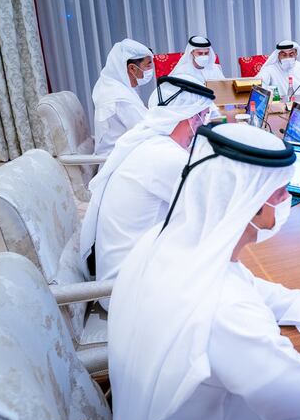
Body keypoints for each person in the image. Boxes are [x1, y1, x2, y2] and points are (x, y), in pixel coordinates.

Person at [108, 124, 300, 420]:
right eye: (281, 193)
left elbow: (258, 292)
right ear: (251, 202)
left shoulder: (166, 241)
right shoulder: (224, 309)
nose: (288, 200)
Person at [79, 75, 215, 309]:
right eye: (204, 116)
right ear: (191, 119)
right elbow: (213, 209)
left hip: (133, 268)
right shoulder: (165, 158)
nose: (204, 124)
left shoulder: (148, 141)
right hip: (131, 294)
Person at [92, 39, 153, 155]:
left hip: (126, 152)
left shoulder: (109, 83)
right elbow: (147, 128)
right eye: (148, 65)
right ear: (132, 68)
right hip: (119, 161)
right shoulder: (119, 96)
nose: (151, 70)